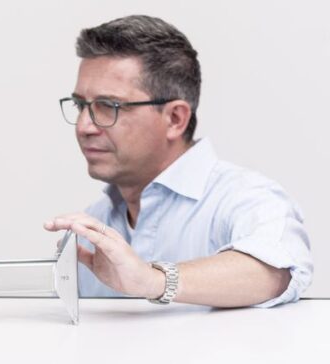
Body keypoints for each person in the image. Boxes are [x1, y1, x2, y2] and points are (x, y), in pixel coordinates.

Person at [44, 15, 312, 307]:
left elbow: (274, 270)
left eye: (108, 106)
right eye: (80, 105)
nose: (84, 126)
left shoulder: (244, 197)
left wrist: (153, 280)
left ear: (175, 118)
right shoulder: (93, 227)